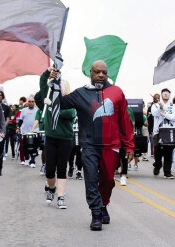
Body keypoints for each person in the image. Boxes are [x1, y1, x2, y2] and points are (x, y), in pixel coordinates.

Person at [51, 60, 134, 231]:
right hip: (89, 145)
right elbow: (59, 103)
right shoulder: (80, 93)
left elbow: (125, 121)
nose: (101, 75)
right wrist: (55, 83)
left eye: (104, 72)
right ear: (90, 72)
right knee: (90, 179)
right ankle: (96, 213)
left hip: (111, 144)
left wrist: (130, 146)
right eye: (97, 72)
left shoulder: (117, 92)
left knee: (109, 180)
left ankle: (103, 205)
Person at [35, 68, 77, 208]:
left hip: (65, 139)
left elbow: (70, 114)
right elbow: (42, 83)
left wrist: (52, 105)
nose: (55, 88)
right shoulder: (48, 97)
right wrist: (47, 72)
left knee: (61, 168)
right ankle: (52, 189)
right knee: (49, 169)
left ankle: (61, 197)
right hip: (51, 137)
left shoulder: (69, 101)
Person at [151, 88, 175, 179]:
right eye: (164, 93)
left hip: (170, 131)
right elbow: (154, 114)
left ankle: (167, 172)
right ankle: (157, 165)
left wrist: (166, 115)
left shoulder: (174, 106)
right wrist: (160, 109)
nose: (166, 95)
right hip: (159, 131)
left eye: (167, 93)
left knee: (168, 151)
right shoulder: (156, 105)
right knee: (158, 150)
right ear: (161, 95)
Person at [19, 96, 39, 167]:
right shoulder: (24, 110)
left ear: (34, 103)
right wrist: (18, 128)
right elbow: (21, 120)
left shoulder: (37, 110)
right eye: (29, 101)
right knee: (25, 146)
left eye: (32, 102)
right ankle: (26, 159)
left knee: (34, 146)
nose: (31, 103)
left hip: (35, 131)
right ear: (27, 102)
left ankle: (32, 161)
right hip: (25, 131)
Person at [0, 90, 10, 175]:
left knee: (0, 150)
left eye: (0, 95)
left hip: (2, 132)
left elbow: (7, 119)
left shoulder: (6, 107)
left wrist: (3, 128)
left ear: (2, 97)